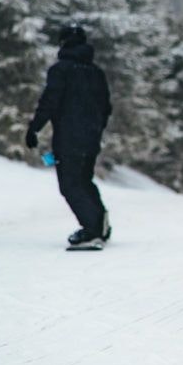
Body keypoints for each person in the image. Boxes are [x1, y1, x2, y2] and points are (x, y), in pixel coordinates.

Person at [25, 22, 112, 249]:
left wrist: (34, 128)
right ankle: (100, 223)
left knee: (71, 185)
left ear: (62, 43)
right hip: (91, 139)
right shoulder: (96, 73)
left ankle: (92, 230)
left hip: (69, 138)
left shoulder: (61, 70)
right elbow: (106, 107)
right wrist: (96, 129)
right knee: (84, 180)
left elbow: (50, 102)